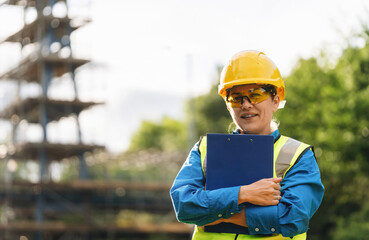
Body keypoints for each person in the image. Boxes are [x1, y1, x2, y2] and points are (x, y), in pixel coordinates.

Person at [170, 50, 324, 240]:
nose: (246, 104)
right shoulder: (204, 149)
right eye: (236, 98)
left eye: (256, 94)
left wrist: (215, 216)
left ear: (275, 100)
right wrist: (243, 194)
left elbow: (292, 218)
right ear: (228, 106)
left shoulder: (297, 155)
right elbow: (184, 205)